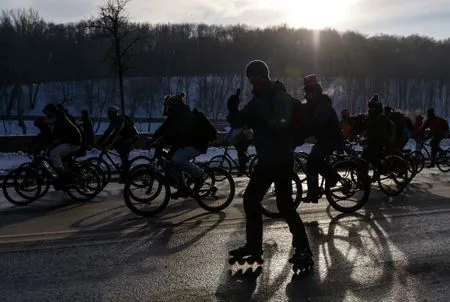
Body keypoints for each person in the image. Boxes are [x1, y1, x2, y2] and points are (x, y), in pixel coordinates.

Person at [227, 59, 312, 264]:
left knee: (284, 205)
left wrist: (261, 122)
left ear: (264, 76)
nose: (252, 82)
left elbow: (282, 124)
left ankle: (303, 249)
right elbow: (239, 121)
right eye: (250, 79)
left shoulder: (279, 96)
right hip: (267, 159)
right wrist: (232, 109)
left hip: (282, 157)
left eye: (254, 77)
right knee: (250, 200)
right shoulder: (257, 100)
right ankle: (254, 246)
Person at [150, 92, 209, 199]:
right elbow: (163, 129)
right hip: (184, 144)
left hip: (196, 144)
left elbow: (174, 133)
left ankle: (200, 175)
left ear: (174, 106)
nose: (166, 108)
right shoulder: (173, 117)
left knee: (176, 160)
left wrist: (162, 141)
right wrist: (153, 139)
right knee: (170, 161)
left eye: (168, 106)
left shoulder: (183, 116)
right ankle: (181, 185)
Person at [303, 74, 344, 203]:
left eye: (308, 93)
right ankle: (313, 192)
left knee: (312, 161)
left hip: (331, 138)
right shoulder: (315, 104)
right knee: (313, 163)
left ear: (314, 92)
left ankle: (332, 178)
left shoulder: (322, 104)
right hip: (324, 138)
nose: (306, 96)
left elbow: (318, 123)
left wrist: (306, 132)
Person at [42, 103, 83, 186]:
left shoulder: (60, 119)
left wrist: (50, 142)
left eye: (47, 113)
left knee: (54, 153)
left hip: (73, 142)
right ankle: (62, 171)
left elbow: (57, 133)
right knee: (52, 152)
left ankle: (63, 175)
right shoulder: (58, 117)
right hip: (69, 141)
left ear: (51, 111)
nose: (47, 115)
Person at [96, 106, 138, 182]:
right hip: (123, 137)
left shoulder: (120, 120)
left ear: (114, 113)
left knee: (122, 152)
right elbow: (108, 132)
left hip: (131, 137)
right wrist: (100, 142)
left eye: (109, 113)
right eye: (108, 113)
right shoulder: (114, 121)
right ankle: (124, 168)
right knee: (117, 146)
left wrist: (107, 143)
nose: (108, 115)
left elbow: (115, 134)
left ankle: (126, 175)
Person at [361, 95, 396, 173]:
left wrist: (367, 139)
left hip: (381, 142)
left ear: (377, 108)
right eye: (370, 107)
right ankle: (379, 169)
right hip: (373, 142)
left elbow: (379, 133)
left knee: (365, 157)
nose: (371, 109)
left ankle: (366, 179)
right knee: (369, 157)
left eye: (373, 107)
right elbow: (368, 129)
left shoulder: (382, 117)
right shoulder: (371, 117)